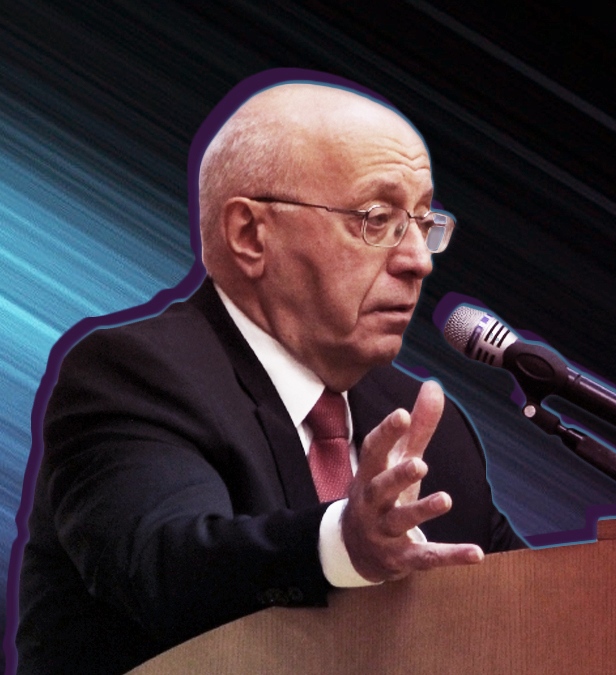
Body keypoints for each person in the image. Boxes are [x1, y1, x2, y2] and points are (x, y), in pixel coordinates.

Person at [16, 78, 525, 674]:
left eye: (422, 222)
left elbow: (535, 603)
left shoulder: (425, 425)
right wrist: (344, 544)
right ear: (250, 235)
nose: (417, 259)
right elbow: (167, 569)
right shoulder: (134, 374)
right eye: (377, 218)